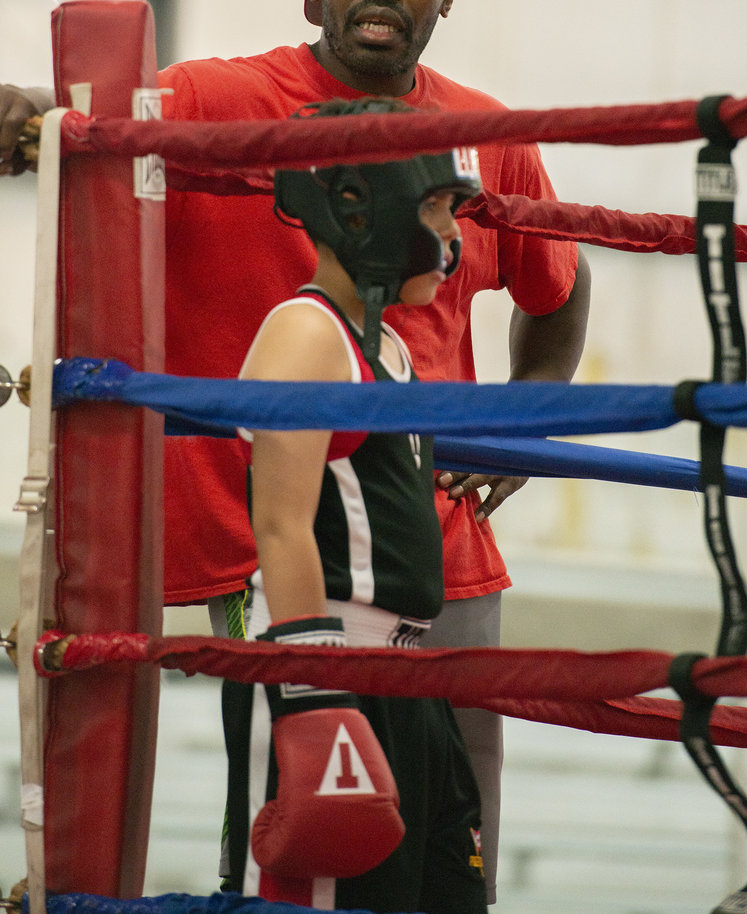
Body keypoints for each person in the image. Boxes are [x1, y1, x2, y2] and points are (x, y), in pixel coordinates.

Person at [0, 0, 590, 901]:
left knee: (452, 837)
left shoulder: (488, 135)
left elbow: (560, 284)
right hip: (280, 540)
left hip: (439, 541)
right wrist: (14, 107)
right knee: (315, 822)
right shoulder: (221, 99)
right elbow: (88, 125)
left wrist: (525, 425)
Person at [226, 96, 487, 912]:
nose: (451, 234)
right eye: (439, 205)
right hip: (330, 664)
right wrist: (313, 700)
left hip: (409, 677)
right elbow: (281, 524)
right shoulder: (308, 333)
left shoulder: (392, 345)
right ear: (360, 204)